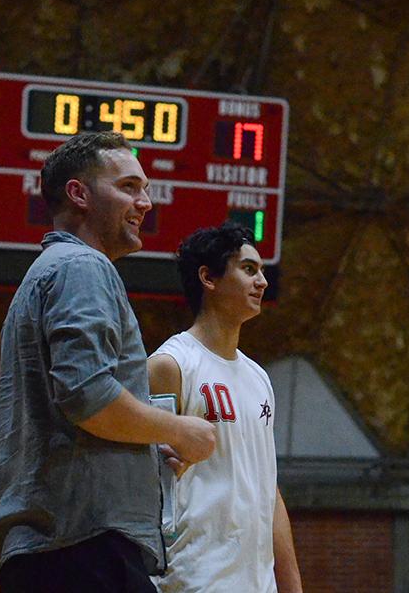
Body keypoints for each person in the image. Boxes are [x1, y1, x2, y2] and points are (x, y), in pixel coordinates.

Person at [0, 131, 216, 593]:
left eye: (146, 189)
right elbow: (89, 398)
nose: (146, 201)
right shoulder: (83, 267)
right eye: (130, 187)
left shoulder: (46, 272)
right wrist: (179, 429)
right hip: (83, 545)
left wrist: (150, 448)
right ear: (79, 194)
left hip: (56, 546)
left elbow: (76, 409)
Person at [148, 222, 303, 593]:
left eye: (262, 271)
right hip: (192, 579)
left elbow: (268, 488)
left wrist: (292, 585)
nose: (262, 281)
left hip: (257, 584)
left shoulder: (258, 378)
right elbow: (147, 485)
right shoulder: (169, 365)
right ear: (209, 278)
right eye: (249, 269)